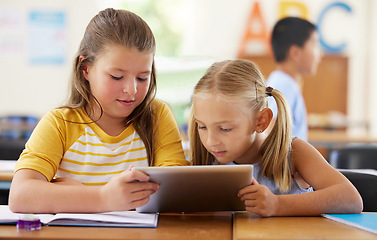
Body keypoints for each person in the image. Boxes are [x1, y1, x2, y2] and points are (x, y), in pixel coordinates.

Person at [9, 8, 188, 214]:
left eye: (142, 77)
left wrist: (68, 194)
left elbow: (175, 192)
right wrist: (104, 198)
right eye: (116, 76)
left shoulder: (157, 115)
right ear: (86, 69)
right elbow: (20, 195)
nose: (132, 90)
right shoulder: (60, 123)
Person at [189, 59, 362, 217]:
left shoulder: (293, 153)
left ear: (261, 121)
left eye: (225, 129)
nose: (211, 141)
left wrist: (277, 205)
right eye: (202, 126)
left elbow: (351, 198)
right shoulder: (208, 159)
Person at [267, 17, 322, 141]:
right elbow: (269, 129)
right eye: (314, 45)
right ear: (295, 52)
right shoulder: (285, 84)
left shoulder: (280, 80)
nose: (319, 54)